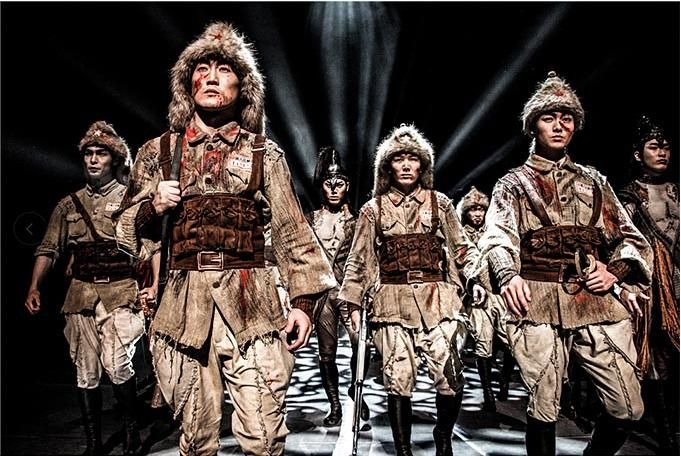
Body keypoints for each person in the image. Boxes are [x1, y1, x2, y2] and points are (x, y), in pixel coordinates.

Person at [112, 22, 335, 456]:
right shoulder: (158, 153)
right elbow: (121, 230)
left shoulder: (263, 153)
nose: (211, 77)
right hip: (183, 314)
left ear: (242, 86)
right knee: (196, 441)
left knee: (264, 438)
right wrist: (151, 207)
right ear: (187, 83)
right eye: (202, 68)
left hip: (253, 311)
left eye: (225, 69)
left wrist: (304, 304)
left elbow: (293, 233)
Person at [476, 71, 653, 456]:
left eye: (567, 118)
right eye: (549, 117)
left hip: (593, 299)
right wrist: (507, 275)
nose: (559, 126)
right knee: (544, 405)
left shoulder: (594, 181)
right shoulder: (514, 183)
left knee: (628, 407)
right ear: (533, 125)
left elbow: (629, 237)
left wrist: (614, 272)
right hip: (537, 298)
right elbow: (497, 235)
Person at [338, 124, 484, 456]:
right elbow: (359, 260)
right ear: (388, 166)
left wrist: (474, 279)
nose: (406, 165)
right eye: (398, 159)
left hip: (438, 303)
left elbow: (462, 248)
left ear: (423, 165)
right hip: (392, 304)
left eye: (413, 159)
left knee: (451, 378)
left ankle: (443, 435)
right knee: (398, 379)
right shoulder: (373, 210)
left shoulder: (440, 204)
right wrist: (353, 303)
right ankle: (403, 450)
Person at [24, 121, 143, 456]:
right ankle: (93, 443)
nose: (92, 159)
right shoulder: (69, 205)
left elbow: (150, 248)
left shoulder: (131, 199)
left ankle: (131, 431)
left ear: (114, 159)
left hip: (120, 292)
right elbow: (49, 248)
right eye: (88, 153)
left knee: (117, 364)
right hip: (81, 295)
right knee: (86, 370)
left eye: (100, 153)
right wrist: (34, 287)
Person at [618, 115, 679, 454]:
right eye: (654, 147)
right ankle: (666, 433)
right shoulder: (628, 196)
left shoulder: (678, 190)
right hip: (651, 288)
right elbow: (621, 244)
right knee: (656, 357)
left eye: (666, 147)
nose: (662, 153)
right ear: (638, 154)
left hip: (679, 283)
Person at [304, 147, 369, 427]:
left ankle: (357, 389)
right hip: (323, 294)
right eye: (328, 184)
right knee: (327, 353)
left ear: (347, 186)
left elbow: (366, 258)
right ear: (321, 186)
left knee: (361, 345)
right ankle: (334, 405)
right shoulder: (310, 220)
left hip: (350, 292)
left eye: (339, 183)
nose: (333, 189)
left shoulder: (358, 221)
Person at [456, 186, 515, 412]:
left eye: (481, 209)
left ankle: (504, 380)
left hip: (500, 293)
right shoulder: (460, 235)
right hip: (476, 296)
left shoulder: (495, 231)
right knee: (483, 344)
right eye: (473, 210)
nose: (478, 214)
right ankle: (488, 392)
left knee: (512, 342)